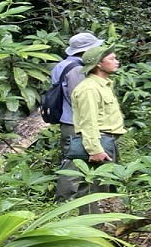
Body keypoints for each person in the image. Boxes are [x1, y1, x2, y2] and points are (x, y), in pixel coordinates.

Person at [67, 44, 125, 213]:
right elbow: (88, 122)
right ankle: (93, 228)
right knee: (94, 188)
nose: (117, 62)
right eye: (112, 59)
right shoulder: (89, 89)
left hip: (107, 142)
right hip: (99, 143)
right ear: (99, 64)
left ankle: (109, 228)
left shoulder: (103, 85)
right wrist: (94, 150)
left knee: (107, 186)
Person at [51, 32, 104, 200]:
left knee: (72, 159)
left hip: (67, 120)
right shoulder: (77, 70)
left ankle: (76, 198)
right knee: (73, 162)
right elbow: (81, 97)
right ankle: (65, 200)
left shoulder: (61, 65)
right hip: (77, 122)